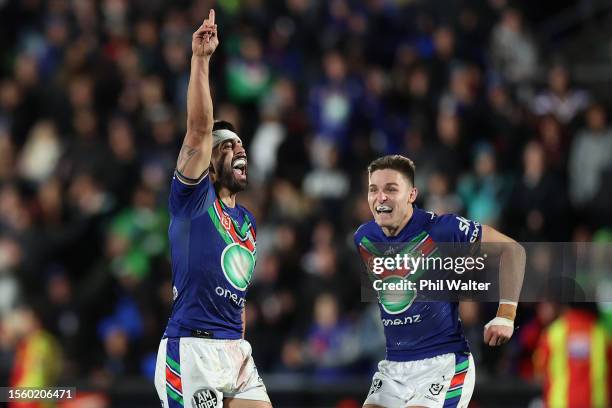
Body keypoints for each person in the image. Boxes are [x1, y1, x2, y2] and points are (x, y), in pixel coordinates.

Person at [154, 10, 272, 408]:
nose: (239, 148)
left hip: (235, 351)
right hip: (191, 351)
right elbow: (199, 129)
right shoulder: (192, 199)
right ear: (207, 161)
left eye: (241, 144)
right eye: (227, 145)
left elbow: (238, 296)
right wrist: (201, 60)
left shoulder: (247, 223)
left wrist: (239, 339)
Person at [354, 155, 525, 408]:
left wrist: (506, 314)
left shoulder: (444, 230)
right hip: (393, 366)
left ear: (412, 194)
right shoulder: (364, 237)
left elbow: (512, 251)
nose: (381, 198)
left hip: (442, 364)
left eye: (391, 189)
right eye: (374, 190)